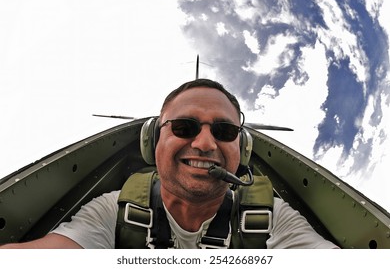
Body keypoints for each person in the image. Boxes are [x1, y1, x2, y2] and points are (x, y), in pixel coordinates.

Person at [0, 79, 338, 249]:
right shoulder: (112, 210)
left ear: (242, 149)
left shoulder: (273, 218)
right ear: (152, 141)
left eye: (224, 130)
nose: (205, 144)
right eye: (183, 127)